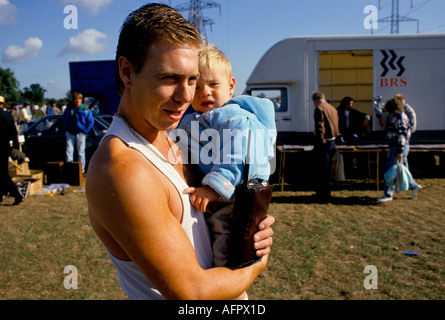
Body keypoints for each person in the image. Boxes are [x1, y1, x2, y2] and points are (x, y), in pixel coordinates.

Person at [85, 3, 274, 300]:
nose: (186, 96)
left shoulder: (174, 136)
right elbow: (192, 293)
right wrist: (257, 264)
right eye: (169, 79)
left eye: (192, 80)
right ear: (127, 72)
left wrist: (247, 228)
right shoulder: (123, 168)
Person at [175, 43, 276, 267]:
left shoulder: (233, 117)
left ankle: (225, 289)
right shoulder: (193, 119)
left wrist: (214, 188)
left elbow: (238, 153)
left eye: (213, 84)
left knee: (225, 245)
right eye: (196, 86)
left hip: (233, 198)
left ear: (231, 86)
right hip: (215, 198)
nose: (205, 92)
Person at [377, 97, 421, 202]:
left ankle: (388, 194)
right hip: (398, 146)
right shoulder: (398, 116)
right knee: (402, 170)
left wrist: (400, 150)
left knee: (390, 170)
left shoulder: (400, 117)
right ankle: (413, 186)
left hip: (398, 146)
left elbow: (402, 134)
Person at [312, 91, 340, 202]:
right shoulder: (332, 108)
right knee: (328, 170)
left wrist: (319, 141)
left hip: (324, 143)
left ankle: (323, 195)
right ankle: (326, 193)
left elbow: (320, 127)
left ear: (316, 99)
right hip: (332, 141)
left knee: (322, 170)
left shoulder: (319, 109)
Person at [62, 92, 94, 173]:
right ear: (73, 100)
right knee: (69, 151)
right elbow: (64, 120)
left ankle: (81, 170)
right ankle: (69, 169)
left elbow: (91, 122)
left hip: (80, 133)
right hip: (70, 132)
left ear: (81, 100)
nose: (77, 100)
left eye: (79, 99)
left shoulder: (85, 110)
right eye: (76, 99)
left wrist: (85, 131)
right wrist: (66, 129)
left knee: (81, 152)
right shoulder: (69, 109)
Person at [0, 98, 23, 205]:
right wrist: (15, 147)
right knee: (4, 171)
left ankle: (17, 195)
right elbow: (14, 133)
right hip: (6, 146)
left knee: (3, 174)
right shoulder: (7, 115)